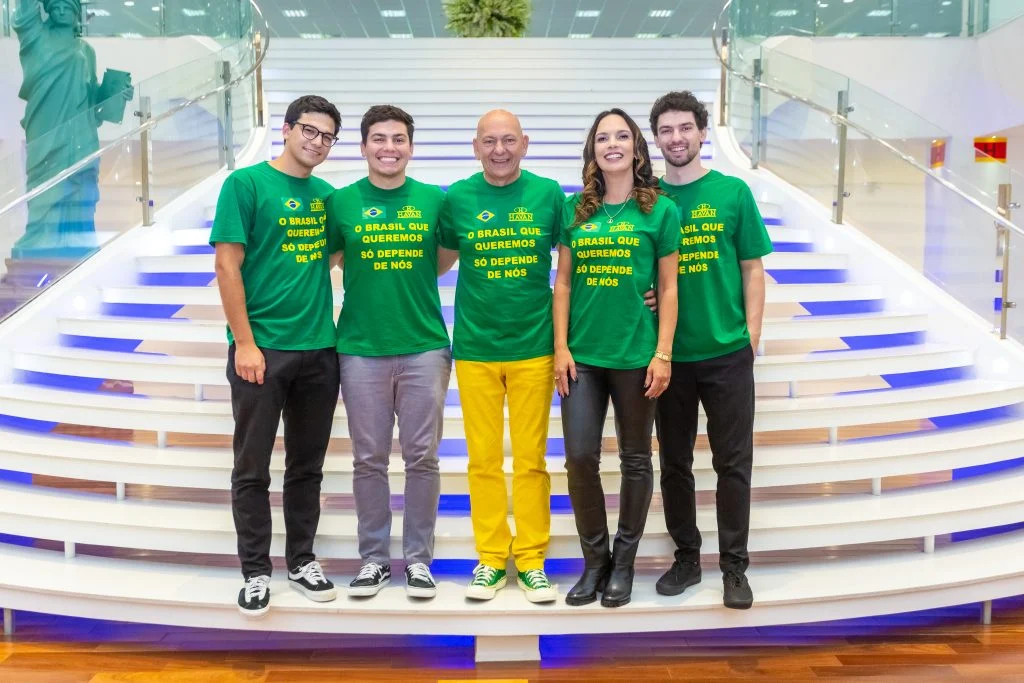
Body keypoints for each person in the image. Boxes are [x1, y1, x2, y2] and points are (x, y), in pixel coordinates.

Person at [211, 95, 342, 618]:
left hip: (320, 349)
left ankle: (302, 561)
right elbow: (227, 267)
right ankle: (256, 571)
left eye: (327, 136)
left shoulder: (328, 197)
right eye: (309, 130)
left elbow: (332, 256)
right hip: (261, 350)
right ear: (286, 129)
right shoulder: (245, 185)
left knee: (307, 467)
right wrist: (244, 342)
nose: (317, 142)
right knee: (252, 467)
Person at [649, 91, 772, 610]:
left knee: (733, 464)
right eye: (666, 130)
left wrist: (751, 338)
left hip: (727, 352)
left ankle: (734, 567)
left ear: (702, 132)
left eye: (685, 128)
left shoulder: (732, 192)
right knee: (674, 463)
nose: (676, 138)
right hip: (668, 357)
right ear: (655, 139)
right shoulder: (646, 198)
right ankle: (686, 558)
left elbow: (752, 269)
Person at [554, 108, 680, 608]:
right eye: (603, 137)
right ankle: (595, 563)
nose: (612, 144)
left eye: (621, 136)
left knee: (635, 458)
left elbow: (668, 288)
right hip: (582, 356)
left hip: (635, 354)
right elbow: (563, 283)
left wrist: (663, 353)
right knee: (580, 458)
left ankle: (623, 564)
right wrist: (560, 347)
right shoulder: (575, 209)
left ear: (636, 148)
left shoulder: (660, 210)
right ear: (593, 150)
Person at [437, 110, 564, 603]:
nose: (499, 150)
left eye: (509, 140)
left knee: (531, 461)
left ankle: (531, 560)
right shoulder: (458, 198)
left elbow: (576, 265)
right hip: (476, 349)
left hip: (534, 347)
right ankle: (491, 559)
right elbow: (438, 260)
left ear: (525, 144)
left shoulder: (548, 195)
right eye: (489, 141)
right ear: (475, 147)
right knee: (484, 461)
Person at [325, 105, 450, 599]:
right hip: (360, 347)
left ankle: (418, 561)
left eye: (399, 139)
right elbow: (334, 257)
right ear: (363, 147)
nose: (389, 148)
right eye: (379, 138)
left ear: (411, 148)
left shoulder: (433, 200)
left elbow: (442, 259)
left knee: (423, 459)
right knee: (368, 459)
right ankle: (374, 560)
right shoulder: (341, 202)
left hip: (424, 347)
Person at [14, 0, 133, 258]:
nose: (61, 10)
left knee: (81, 182)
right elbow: (25, 11)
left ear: (76, 12)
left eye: (67, 6)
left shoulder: (86, 51)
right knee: (45, 180)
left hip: (81, 130)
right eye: (56, 6)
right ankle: (40, 237)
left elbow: (92, 98)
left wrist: (116, 94)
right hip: (45, 125)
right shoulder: (36, 38)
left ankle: (78, 236)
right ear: (47, 10)